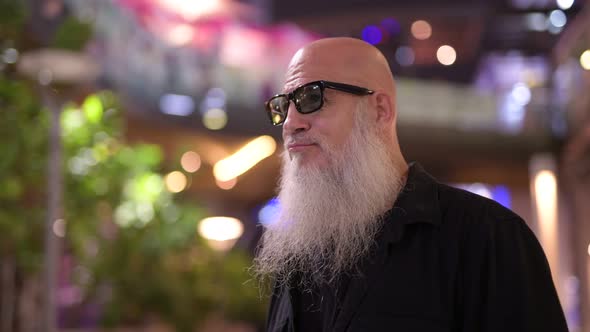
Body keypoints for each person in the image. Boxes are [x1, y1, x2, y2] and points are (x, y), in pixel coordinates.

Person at [254, 37, 568, 332]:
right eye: (283, 106)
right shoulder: (294, 262)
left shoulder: (487, 237)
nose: (292, 123)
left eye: (312, 98)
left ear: (380, 110)